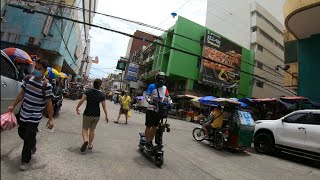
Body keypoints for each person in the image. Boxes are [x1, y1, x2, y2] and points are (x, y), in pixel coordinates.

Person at [7, 59, 54, 171]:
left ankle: (25, 160)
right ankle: (32, 143)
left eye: (40, 69)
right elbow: (21, 94)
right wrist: (13, 105)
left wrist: (51, 119)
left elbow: (49, 104)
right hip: (24, 113)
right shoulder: (28, 79)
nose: (37, 71)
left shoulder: (46, 85)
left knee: (28, 136)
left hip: (35, 116)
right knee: (21, 132)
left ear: (44, 71)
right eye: (36, 68)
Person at [76, 79, 109, 153]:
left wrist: (77, 108)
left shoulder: (88, 91)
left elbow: (81, 100)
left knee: (85, 129)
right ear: (100, 85)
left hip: (87, 113)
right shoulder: (102, 95)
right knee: (92, 130)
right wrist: (106, 116)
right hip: (96, 115)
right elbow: (104, 107)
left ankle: (86, 140)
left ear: (93, 84)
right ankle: (90, 145)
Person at [144, 72, 172, 151]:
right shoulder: (151, 86)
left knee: (155, 127)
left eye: (163, 79)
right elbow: (147, 95)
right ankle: (147, 142)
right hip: (151, 109)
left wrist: (171, 103)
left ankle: (150, 142)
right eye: (160, 78)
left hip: (160, 110)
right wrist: (150, 101)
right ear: (157, 79)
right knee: (148, 126)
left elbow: (168, 97)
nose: (161, 81)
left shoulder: (165, 88)